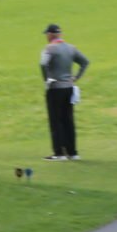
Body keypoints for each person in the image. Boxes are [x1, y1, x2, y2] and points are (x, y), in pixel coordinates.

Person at [39, 22, 90, 161]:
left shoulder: (49, 48)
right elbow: (85, 62)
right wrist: (76, 77)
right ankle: (72, 152)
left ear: (50, 34)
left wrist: (46, 79)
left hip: (55, 88)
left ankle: (59, 153)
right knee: (68, 120)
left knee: (56, 121)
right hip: (69, 88)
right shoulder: (71, 48)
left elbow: (43, 64)